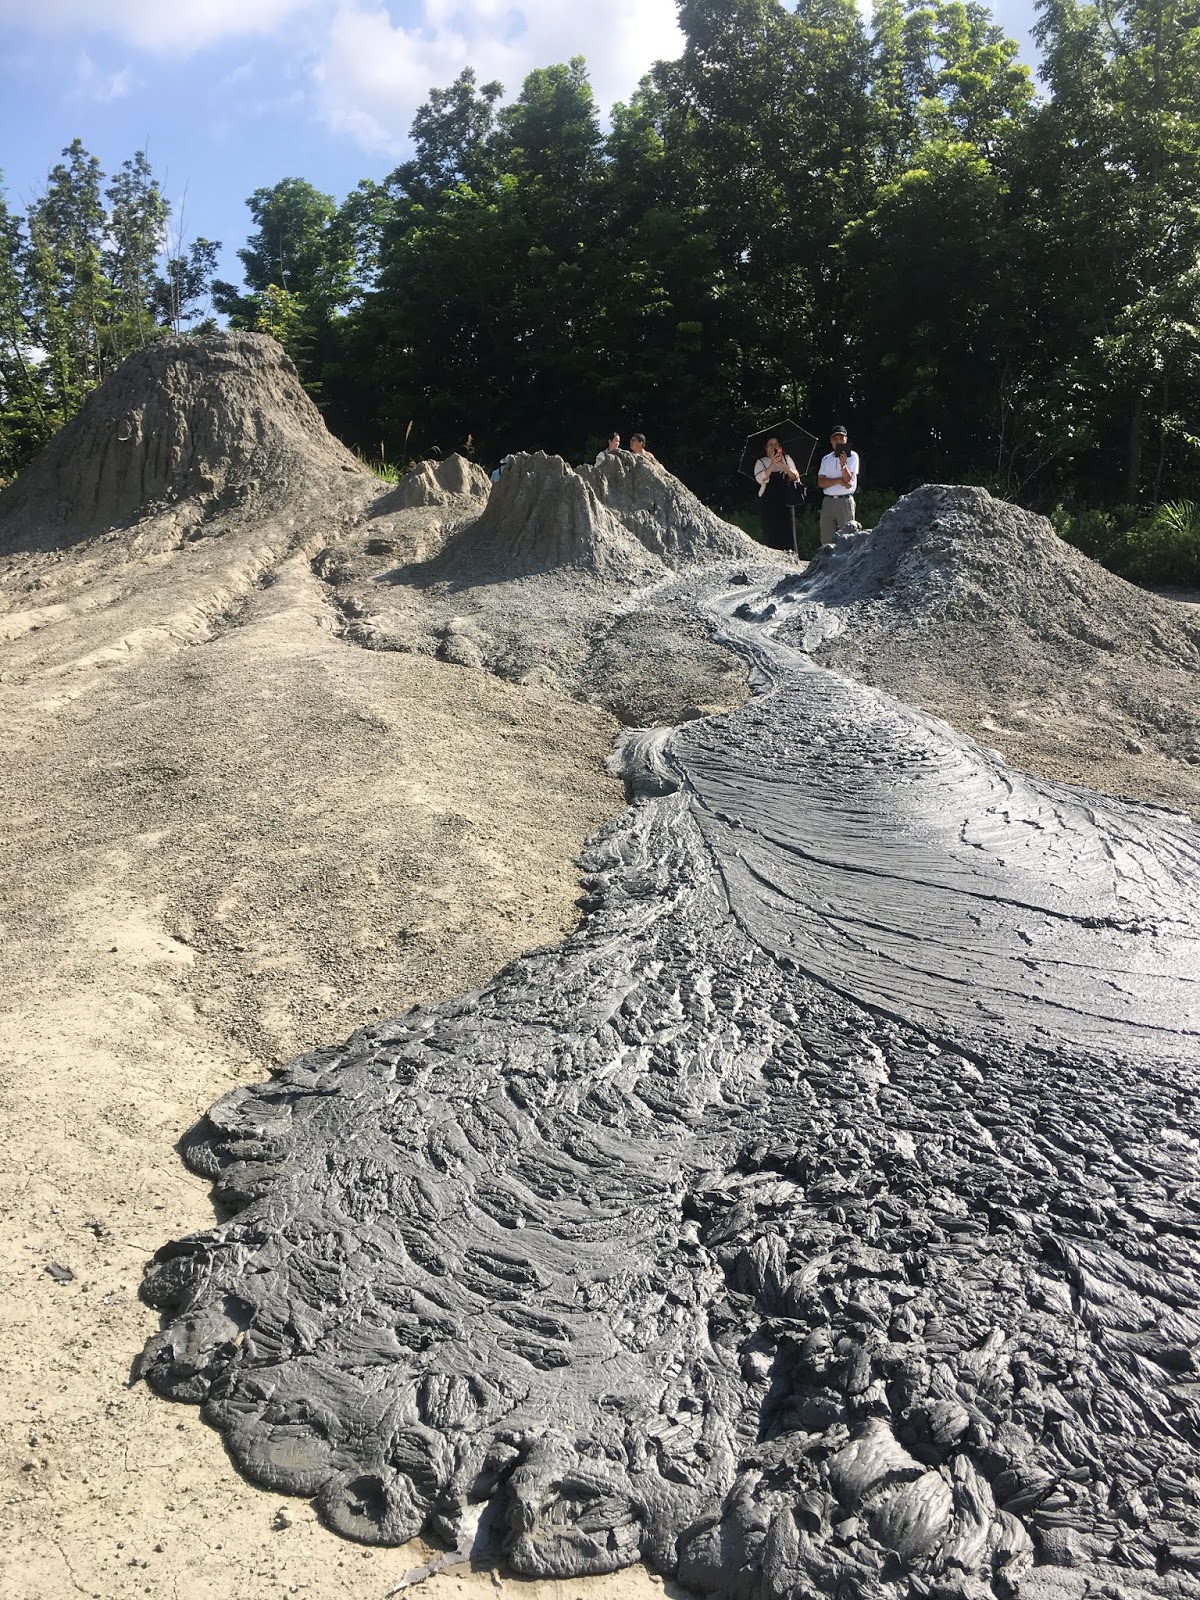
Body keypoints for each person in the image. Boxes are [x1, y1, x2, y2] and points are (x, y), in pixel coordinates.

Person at [754, 436, 802, 551]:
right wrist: (772, 464)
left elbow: (796, 476)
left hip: (786, 501)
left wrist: (785, 467)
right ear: (766, 448)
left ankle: (791, 555)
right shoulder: (761, 462)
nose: (774, 447)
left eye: (776, 444)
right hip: (769, 503)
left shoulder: (786, 458)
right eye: (771, 445)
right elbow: (760, 479)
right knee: (771, 531)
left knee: (788, 530)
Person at [817, 425, 859, 546]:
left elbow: (848, 480)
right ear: (831, 441)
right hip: (828, 501)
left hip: (845, 500)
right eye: (835, 439)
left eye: (841, 438)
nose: (838, 441)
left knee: (848, 538)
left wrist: (843, 465)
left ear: (846, 439)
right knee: (826, 538)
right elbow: (821, 482)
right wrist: (839, 481)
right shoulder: (826, 459)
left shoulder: (853, 456)